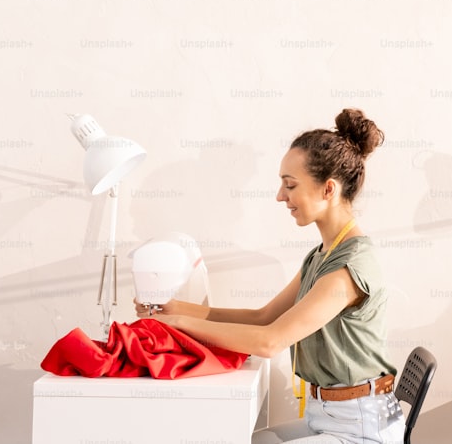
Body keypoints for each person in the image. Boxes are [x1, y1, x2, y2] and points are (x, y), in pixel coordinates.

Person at [135, 108, 405, 444]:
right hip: (329, 416)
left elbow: (270, 341)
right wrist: (175, 309)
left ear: (328, 190)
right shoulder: (320, 256)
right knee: (250, 439)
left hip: (362, 428)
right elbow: (263, 317)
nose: (280, 196)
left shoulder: (350, 268)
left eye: (290, 185)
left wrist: (179, 326)